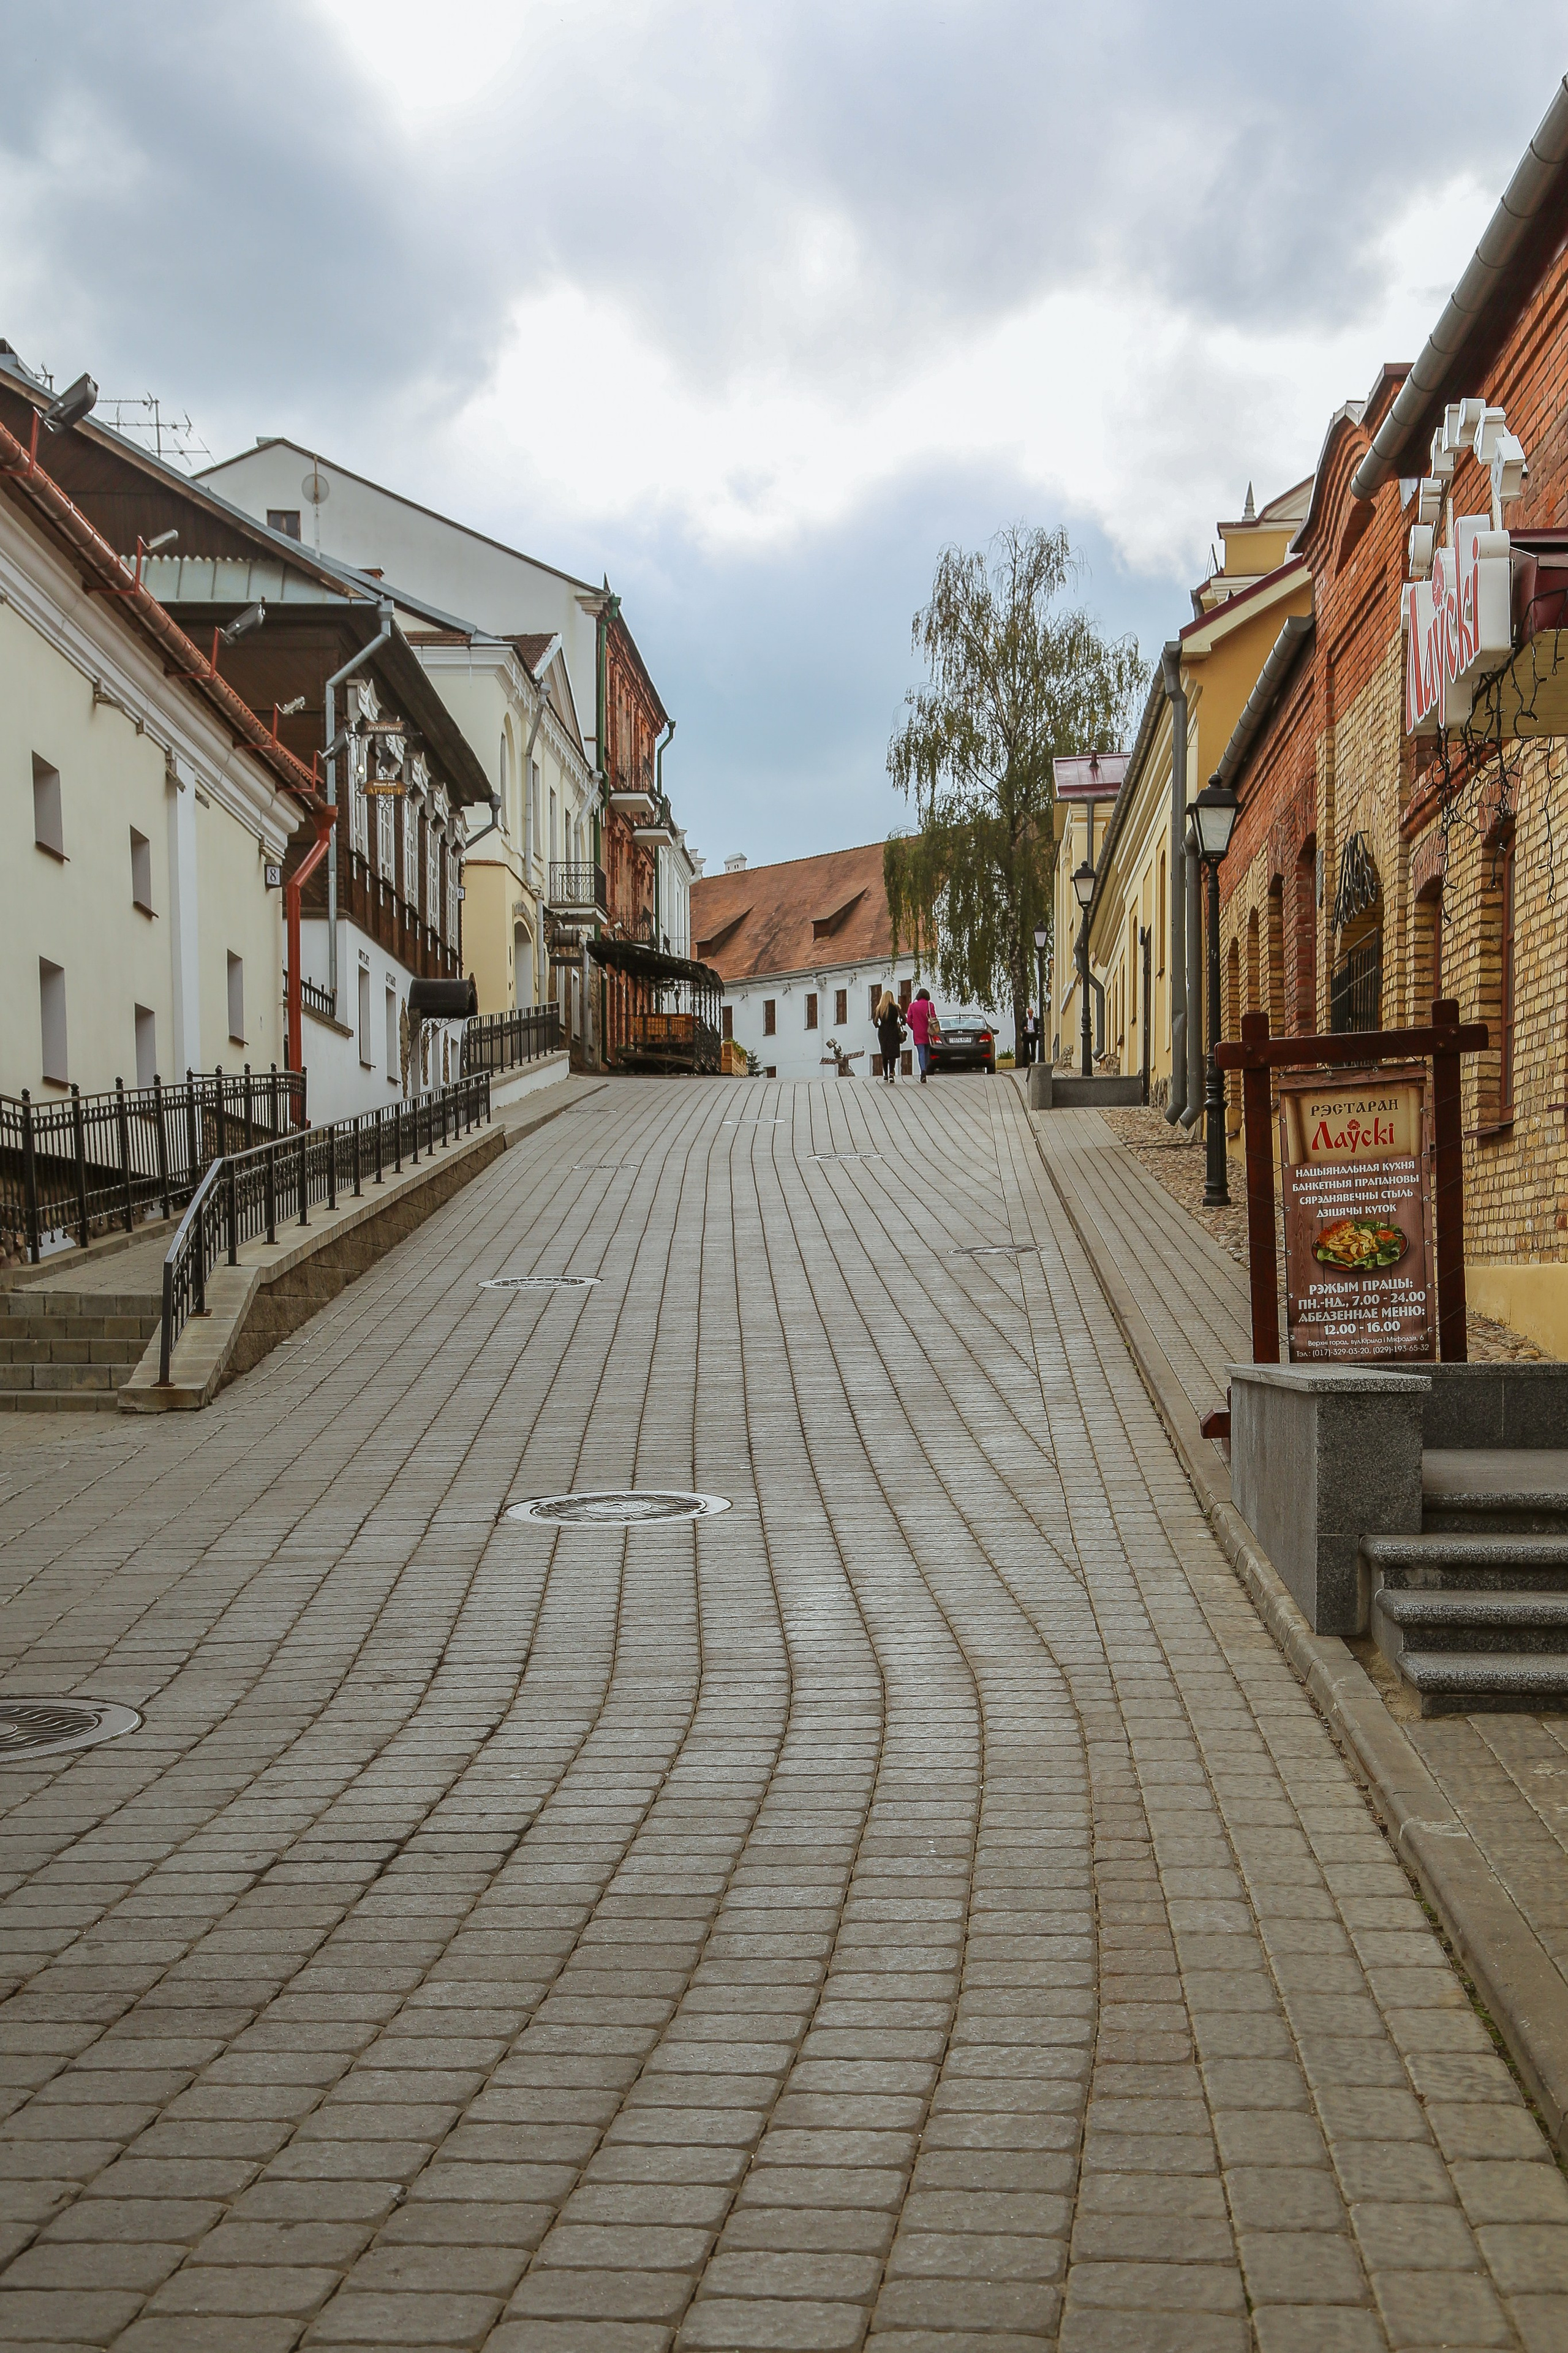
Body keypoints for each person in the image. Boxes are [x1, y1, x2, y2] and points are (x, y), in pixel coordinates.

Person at [907, 987, 937, 1083]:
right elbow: (934, 1017)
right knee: (927, 1052)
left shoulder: (912, 1006)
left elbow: (908, 1020)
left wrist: (913, 1027)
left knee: (921, 1052)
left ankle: (923, 1071)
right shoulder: (930, 1005)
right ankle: (925, 1069)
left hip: (918, 1032)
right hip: (928, 1032)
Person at [875, 990, 905, 1082]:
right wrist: (900, 1025)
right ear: (892, 997)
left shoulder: (880, 1008)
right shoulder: (896, 1008)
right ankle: (891, 1073)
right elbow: (905, 1019)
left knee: (885, 1053)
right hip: (894, 1032)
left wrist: (880, 1027)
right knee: (893, 1053)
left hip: (883, 1033)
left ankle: (885, 1075)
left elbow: (875, 1022)